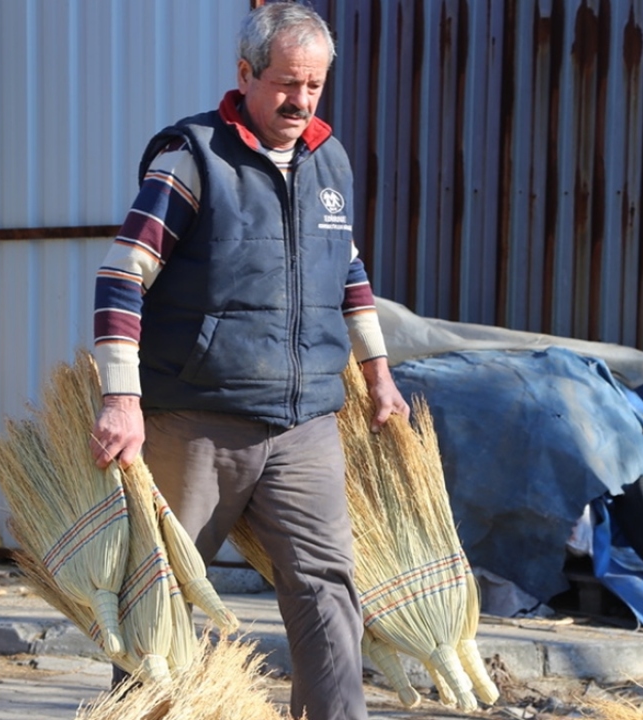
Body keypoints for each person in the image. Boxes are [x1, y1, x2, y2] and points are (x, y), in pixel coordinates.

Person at [88, 4, 408, 719]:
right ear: (246, 75)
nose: (300, 101)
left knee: (328, 589)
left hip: (305, 425)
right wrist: (122, 399)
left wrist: (377, 372)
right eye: (287, 83)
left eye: (315, 86)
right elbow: (121, 275)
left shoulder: (331, 161)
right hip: (199, 420)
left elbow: (347, 270)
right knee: (164, 593)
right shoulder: (193, 157)